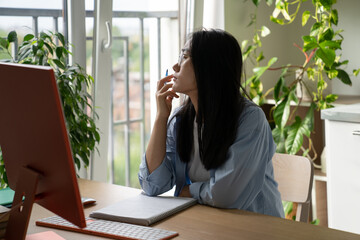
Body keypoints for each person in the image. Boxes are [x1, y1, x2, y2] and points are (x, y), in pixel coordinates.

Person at [138, 29, 284, 218]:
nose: (176, 66)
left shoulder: (250, 120)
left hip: (254, 228)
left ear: (209, 66)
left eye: (184, 56)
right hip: (205, 222)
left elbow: (227, 195)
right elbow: (153, 185)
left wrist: (191, 191)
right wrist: (160, 118)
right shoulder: (180, 120)